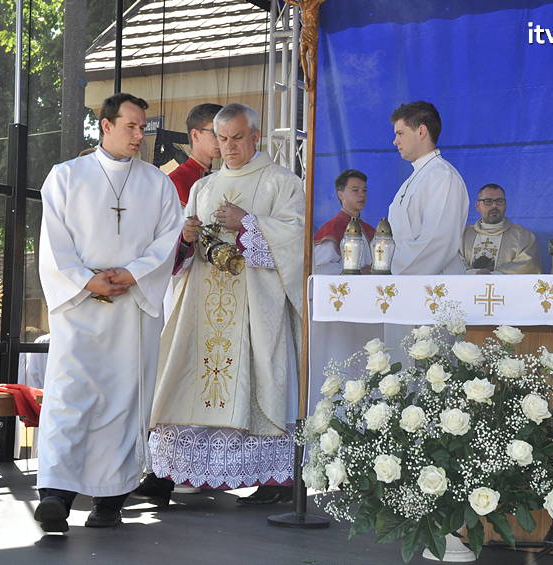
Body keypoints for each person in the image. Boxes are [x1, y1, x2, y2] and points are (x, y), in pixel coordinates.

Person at [34, 92, 183, 532]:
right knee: (68, 398)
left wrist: (134, 274)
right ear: (105, 125)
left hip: (131, 311)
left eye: (144, 127)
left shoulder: (157, 183)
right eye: (132, 126)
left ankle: (109, 501)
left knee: (123, 402)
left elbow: (167, 240)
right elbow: (53, 241)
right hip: (80, 307)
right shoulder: (65, 177)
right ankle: (55, 495)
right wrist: (86, 279)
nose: (140, 135)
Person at [142, 102, 303, 506]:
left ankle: (273, 479)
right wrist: (187, 236)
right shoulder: (203, 187)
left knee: (255, 379)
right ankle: (169, 471)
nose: (228, 147)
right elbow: (177, 252)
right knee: (185, 378)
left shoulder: (281, 182)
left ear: (255, 137)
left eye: (237, 138)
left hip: (253, 304)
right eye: (222, 139)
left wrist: (248, 222)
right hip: (202, 303)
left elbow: (296, 240)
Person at [386, 101, 468, 275]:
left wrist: (393, 272)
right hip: (404, 279)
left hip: (433, 287)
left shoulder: (443, 176)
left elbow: (437, 241)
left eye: (400, 133)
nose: (395, 141)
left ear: (421, 131)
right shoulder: (414, 178)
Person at [460, 183, 540, 274]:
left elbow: (528, 265)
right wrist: (474, 273)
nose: (494, 206)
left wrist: (495, 275)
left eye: (499, 201)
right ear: (478, 206)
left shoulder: (522, 236)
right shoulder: (463, 235)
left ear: (505, 205)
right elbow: (454, 262)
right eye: (488, 201)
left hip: (508, 288)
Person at [313, 169, 376, 274]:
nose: (362, 195)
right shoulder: (333, 228)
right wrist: (357, 273)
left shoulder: (369, 230)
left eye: (364, 190)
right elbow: (320, 267)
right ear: (340, 195)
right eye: (355, 190)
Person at [169, 103, 223, 207]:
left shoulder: (219, 176)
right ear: (195, 135)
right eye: (215, 132)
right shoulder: (176, 181)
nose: (222, 139)